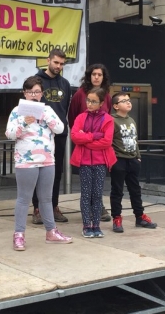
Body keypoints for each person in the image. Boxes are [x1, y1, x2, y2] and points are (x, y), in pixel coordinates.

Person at [5, 76, 73, 251]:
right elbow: (10, 134)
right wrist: (24, 121)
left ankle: (51, 232)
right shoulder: (17, 111)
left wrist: (45, 116)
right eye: (30, 92)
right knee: (23, 199)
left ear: (42, 93)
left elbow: (60, 129)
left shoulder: (48, 110)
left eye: (37, 92)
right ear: (24, 93)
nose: (34, 95)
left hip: (47, 160)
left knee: (46, 198)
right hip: (26, 161)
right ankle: (19, 235)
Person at [67, 63, 113, 222]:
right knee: (86, 186)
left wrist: (91, 137)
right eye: (94, 74)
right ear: (89, 76)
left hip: (100, 150)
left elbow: (107, 126)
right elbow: (73, 119)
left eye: (100, 75)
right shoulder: (80, 94)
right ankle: (88, 219)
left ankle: (99, 206)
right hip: (84, 149)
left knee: (99, 185)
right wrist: (89, 137)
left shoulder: (106, 95)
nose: (96, 77)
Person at [31, 49, 72, 225]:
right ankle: (38, 209)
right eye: (56, 62)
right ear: (48, 60)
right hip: (40, 136)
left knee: (56, 173)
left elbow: (65, 110)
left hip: (59, 135)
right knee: (38, 172)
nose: (58, 66)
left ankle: (54, 206)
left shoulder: (65, 84)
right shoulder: (36, 81)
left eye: (62, 64)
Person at [70, 87, 117, 238]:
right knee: (86, 194)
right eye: (88, 100)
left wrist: (86, 139)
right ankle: (86, 226)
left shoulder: (108, 119)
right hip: (84, 162)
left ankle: (96, 225)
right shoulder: (80, 118)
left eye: (93, 101)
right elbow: (75, 137)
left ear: (102, 103)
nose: (89, 104)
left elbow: (106, 141)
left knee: (97, 194)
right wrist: (94, 136)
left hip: (100, 162)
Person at [109, 92, 158, 233]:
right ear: (116, 106)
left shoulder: (131, 120)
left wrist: (138, 156)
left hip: (133, 160)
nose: (128, 103)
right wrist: (113, 160)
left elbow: (134, 140)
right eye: (124, 101)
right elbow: (108, 142)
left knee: (135, 190)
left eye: (129, 100)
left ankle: (139, 216)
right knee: (117, 191)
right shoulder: (111, 121)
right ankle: (117, 218)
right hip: (119, 160)